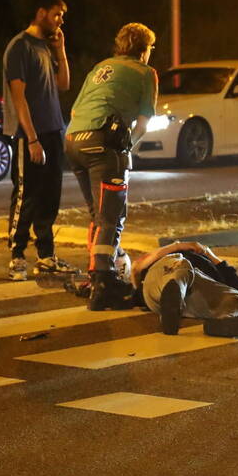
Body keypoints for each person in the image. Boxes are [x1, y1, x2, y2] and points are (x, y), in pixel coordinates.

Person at [65, 23, 159, 310]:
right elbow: (143, 123)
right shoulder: (146, 73)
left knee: (97, 214)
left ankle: (96, 275)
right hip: (103, 144)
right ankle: (103, 284)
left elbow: (74, 109)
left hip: (73, 141)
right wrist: (126, 148)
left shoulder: (100, 67)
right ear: (145, 50)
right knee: (111, 216)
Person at [2, 0, 74, 281]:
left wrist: (61, 51)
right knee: (26, 195)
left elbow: (64, 84)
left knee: (50, 195)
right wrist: (31, 139)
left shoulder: (46, 47)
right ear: (42, 13)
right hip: (28, 135)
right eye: (57, 15)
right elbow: (19, 98)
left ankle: (46, 255)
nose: (60, 21)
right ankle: (17, 256)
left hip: (53, 130)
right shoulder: (19, 47)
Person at [131, 242, 238, 338]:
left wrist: (208, 253)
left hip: (193, 297)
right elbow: (136, 268)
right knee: (182, 266)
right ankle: (176, 291)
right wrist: (176, 246)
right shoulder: (173, 256)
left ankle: (223, 322)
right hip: (165, 278)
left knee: (237, 298)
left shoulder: (210, 267)